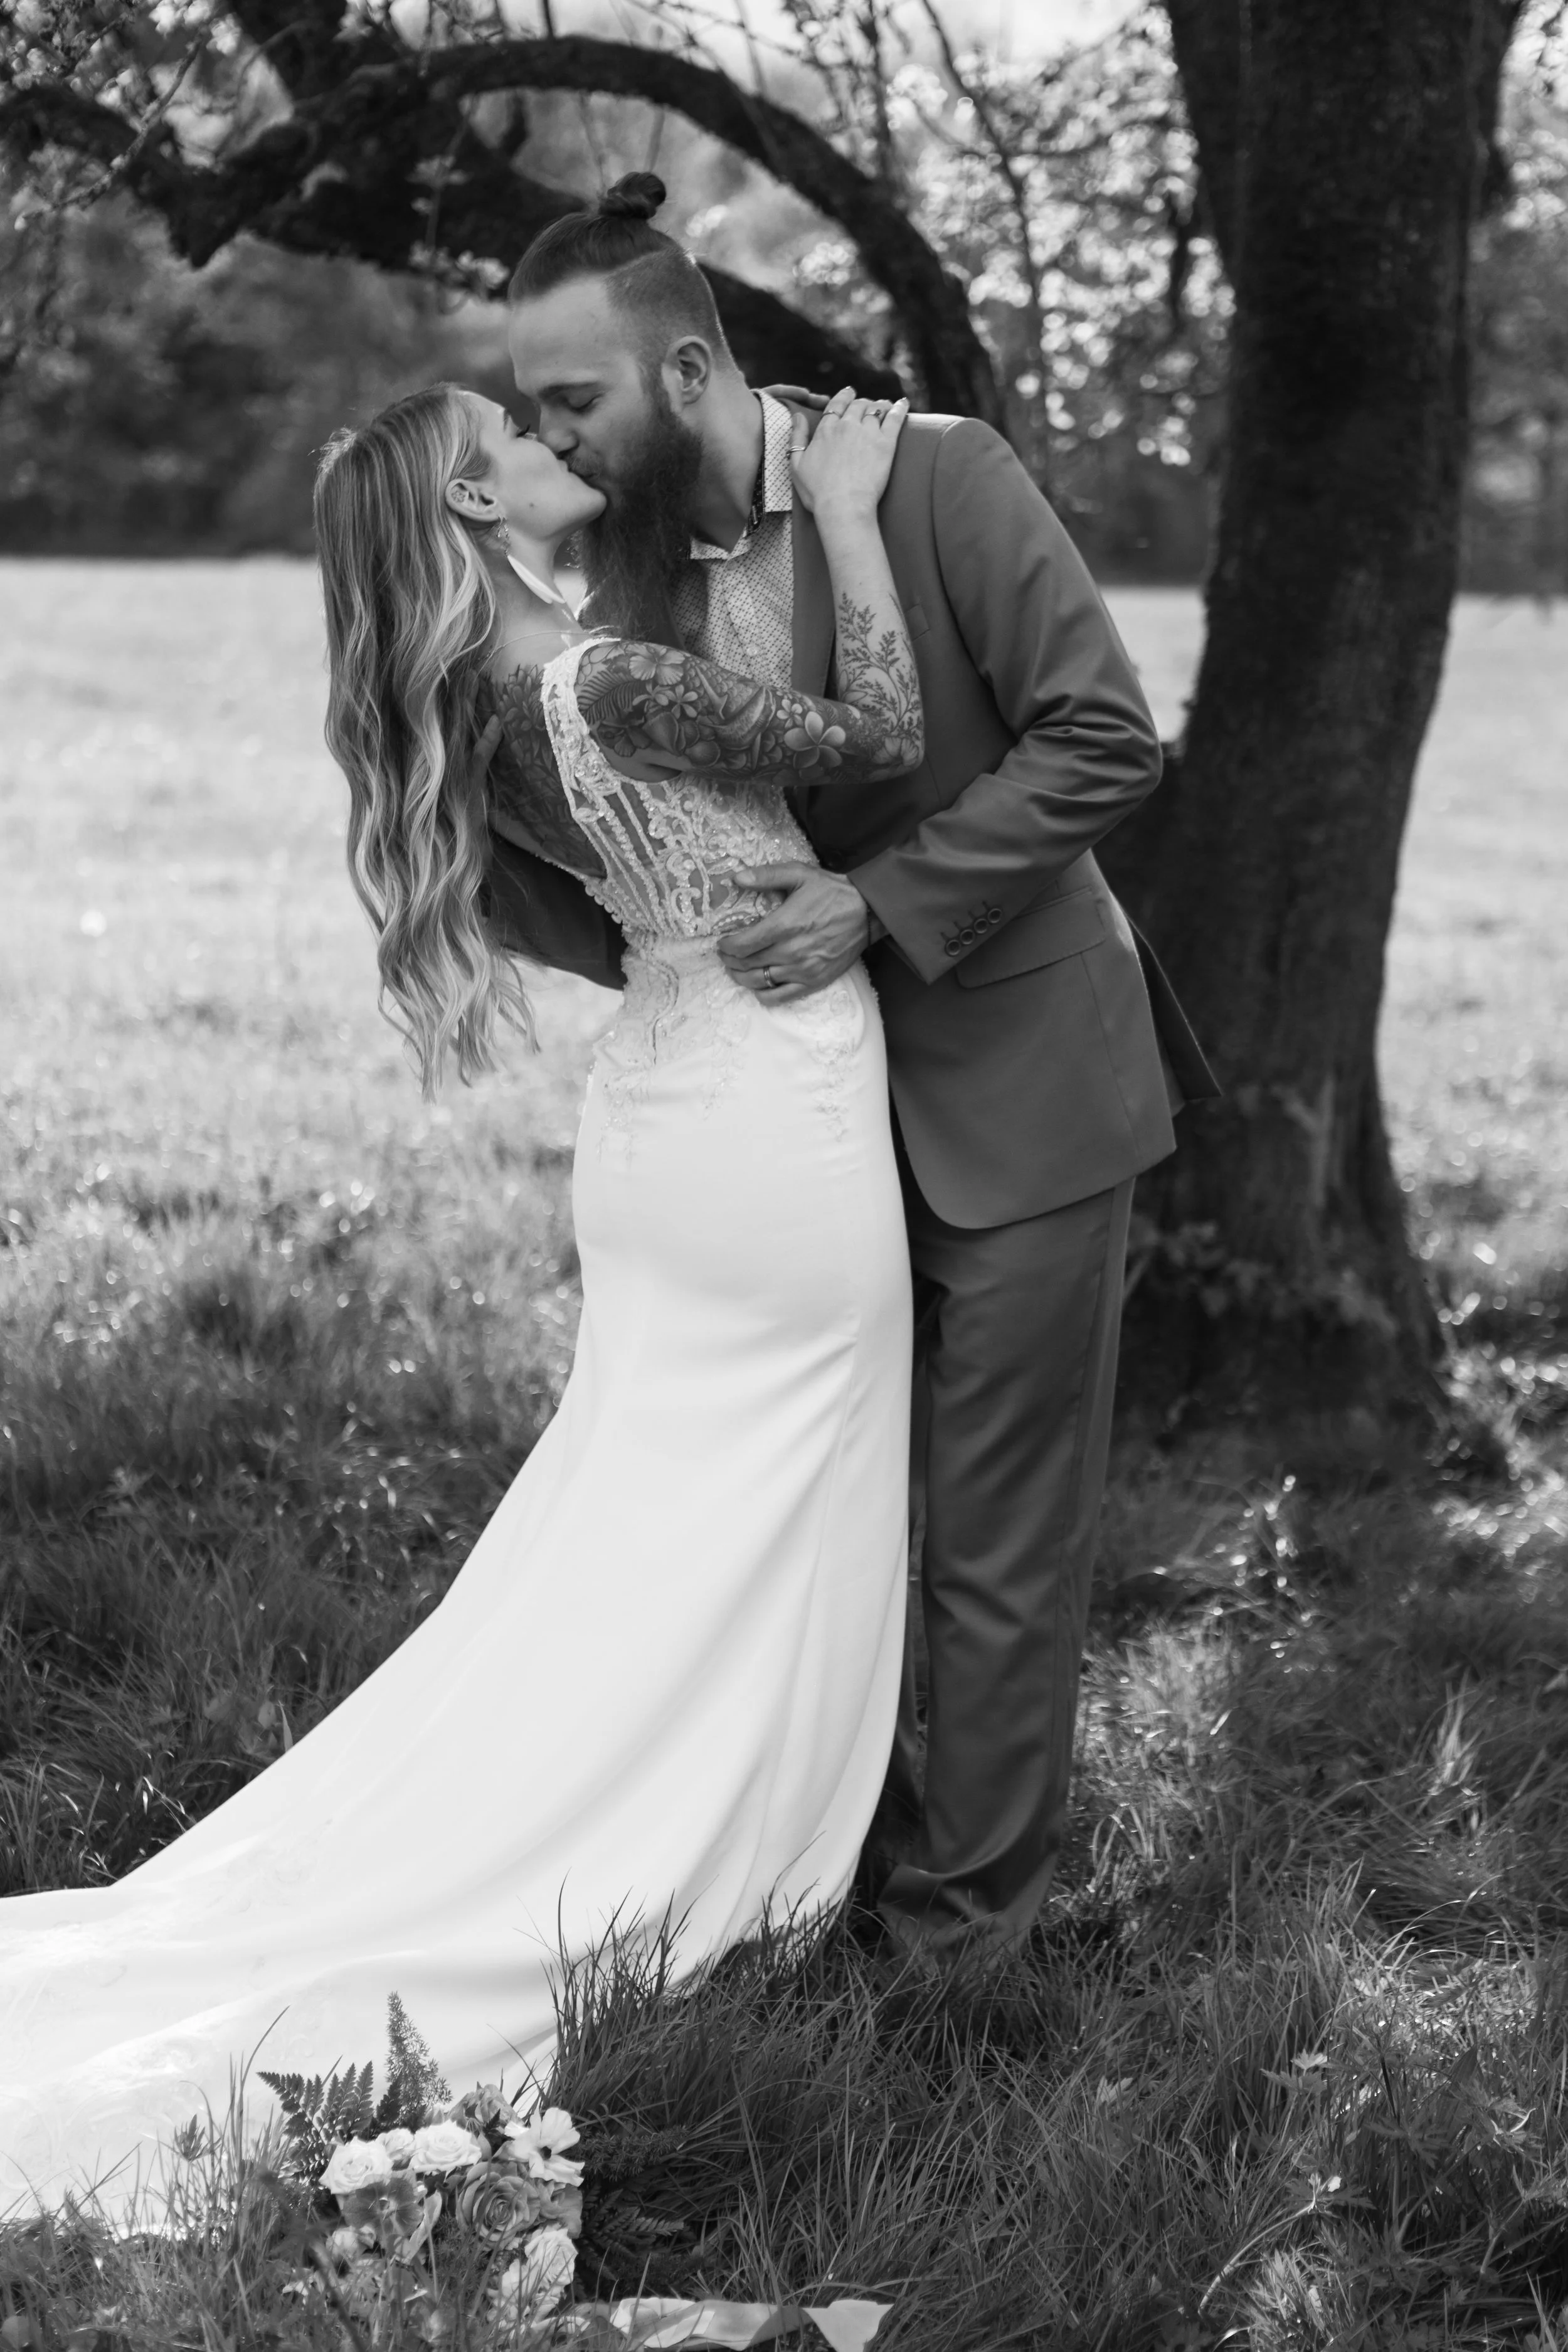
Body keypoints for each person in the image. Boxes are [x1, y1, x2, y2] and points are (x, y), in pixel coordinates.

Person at [0, 379, 921, 2218]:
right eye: (507, 431)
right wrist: (845, 504)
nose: (546, 435)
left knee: (654, 1513)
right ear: (474, 507)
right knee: (760, 1503)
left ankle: (639, 1814)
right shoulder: (601, 685)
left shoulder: (491, 705)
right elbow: (880, 741)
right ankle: (695, 1858)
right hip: (767, 1110)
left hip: (668, 1104)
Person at [482, 174, 1218, 1957]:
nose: (541, 436)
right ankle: (794, 1874)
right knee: (819, 1525)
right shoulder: (623, 576)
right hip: (792, 1129)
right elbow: (660, 851)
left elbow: (1100, 737)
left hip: (1023, 1081)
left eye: (568, 399)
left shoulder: (936, 477)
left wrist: (876, 905)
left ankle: (955, 1946)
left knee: (990, 1540)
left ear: (680, 367)